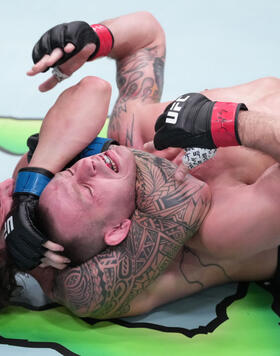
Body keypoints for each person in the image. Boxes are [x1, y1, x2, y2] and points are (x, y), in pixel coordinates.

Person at [2, 11, 280, 319]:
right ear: (119, 229)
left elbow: (143, 41)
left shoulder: (130, 139)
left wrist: (94, 38)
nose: (6, 187)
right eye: (85, 189)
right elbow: (84, 291)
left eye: (68, 171)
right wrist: (230, 124)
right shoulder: (219, 224)